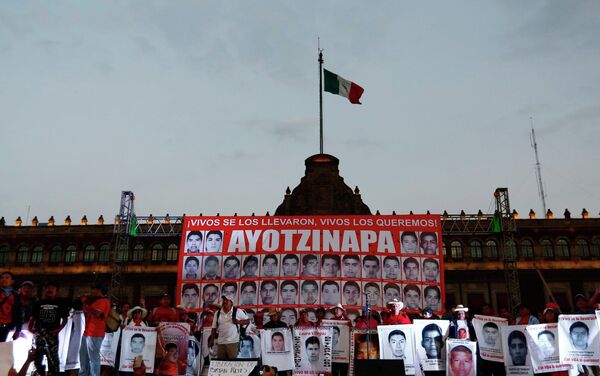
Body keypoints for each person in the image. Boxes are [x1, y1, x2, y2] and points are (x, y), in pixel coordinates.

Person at [29, 281, 69, 376]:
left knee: (53, 358)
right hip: (39, 334)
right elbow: (32, 317)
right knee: (37, 357)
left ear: (56, 291)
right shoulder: (39, 303)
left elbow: (65, 319)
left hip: (52, 334)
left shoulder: (60, 303)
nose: (50, 290)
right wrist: (31, 328)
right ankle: (39, 374)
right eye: (48, 288)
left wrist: (59, 329)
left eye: (52, 288)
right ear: (45, 290)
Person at [79, 282, 111, 376]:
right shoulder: (95, 301)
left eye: (94, 289)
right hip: (87, 332)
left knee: (93, 359)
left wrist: (85, 302)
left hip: (95, 333)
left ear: (99, 290)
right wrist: (85, 303)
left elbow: (97, 314)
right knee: (83, 358)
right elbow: (86, 311)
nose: (92, 291)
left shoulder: (104, 301)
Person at [209, 294, 249, 359]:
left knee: (232, 365)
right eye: (224, 300)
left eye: (227, 300)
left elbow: (247, 321)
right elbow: (214, 328)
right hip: (220, 343)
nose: (225, 301)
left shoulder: (238, 311)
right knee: (221, 365)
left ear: (231, 302)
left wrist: (238, 322)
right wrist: (212, 340)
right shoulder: (218, 313)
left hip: (233, 343)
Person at [0, 271, 22, 342]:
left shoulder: (16, 296)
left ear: (12, 281)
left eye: (7, 278)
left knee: (1, 346)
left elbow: (18, 313)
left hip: (6, 326)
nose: (4, 279)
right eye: (2, 278)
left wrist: (18, 330)